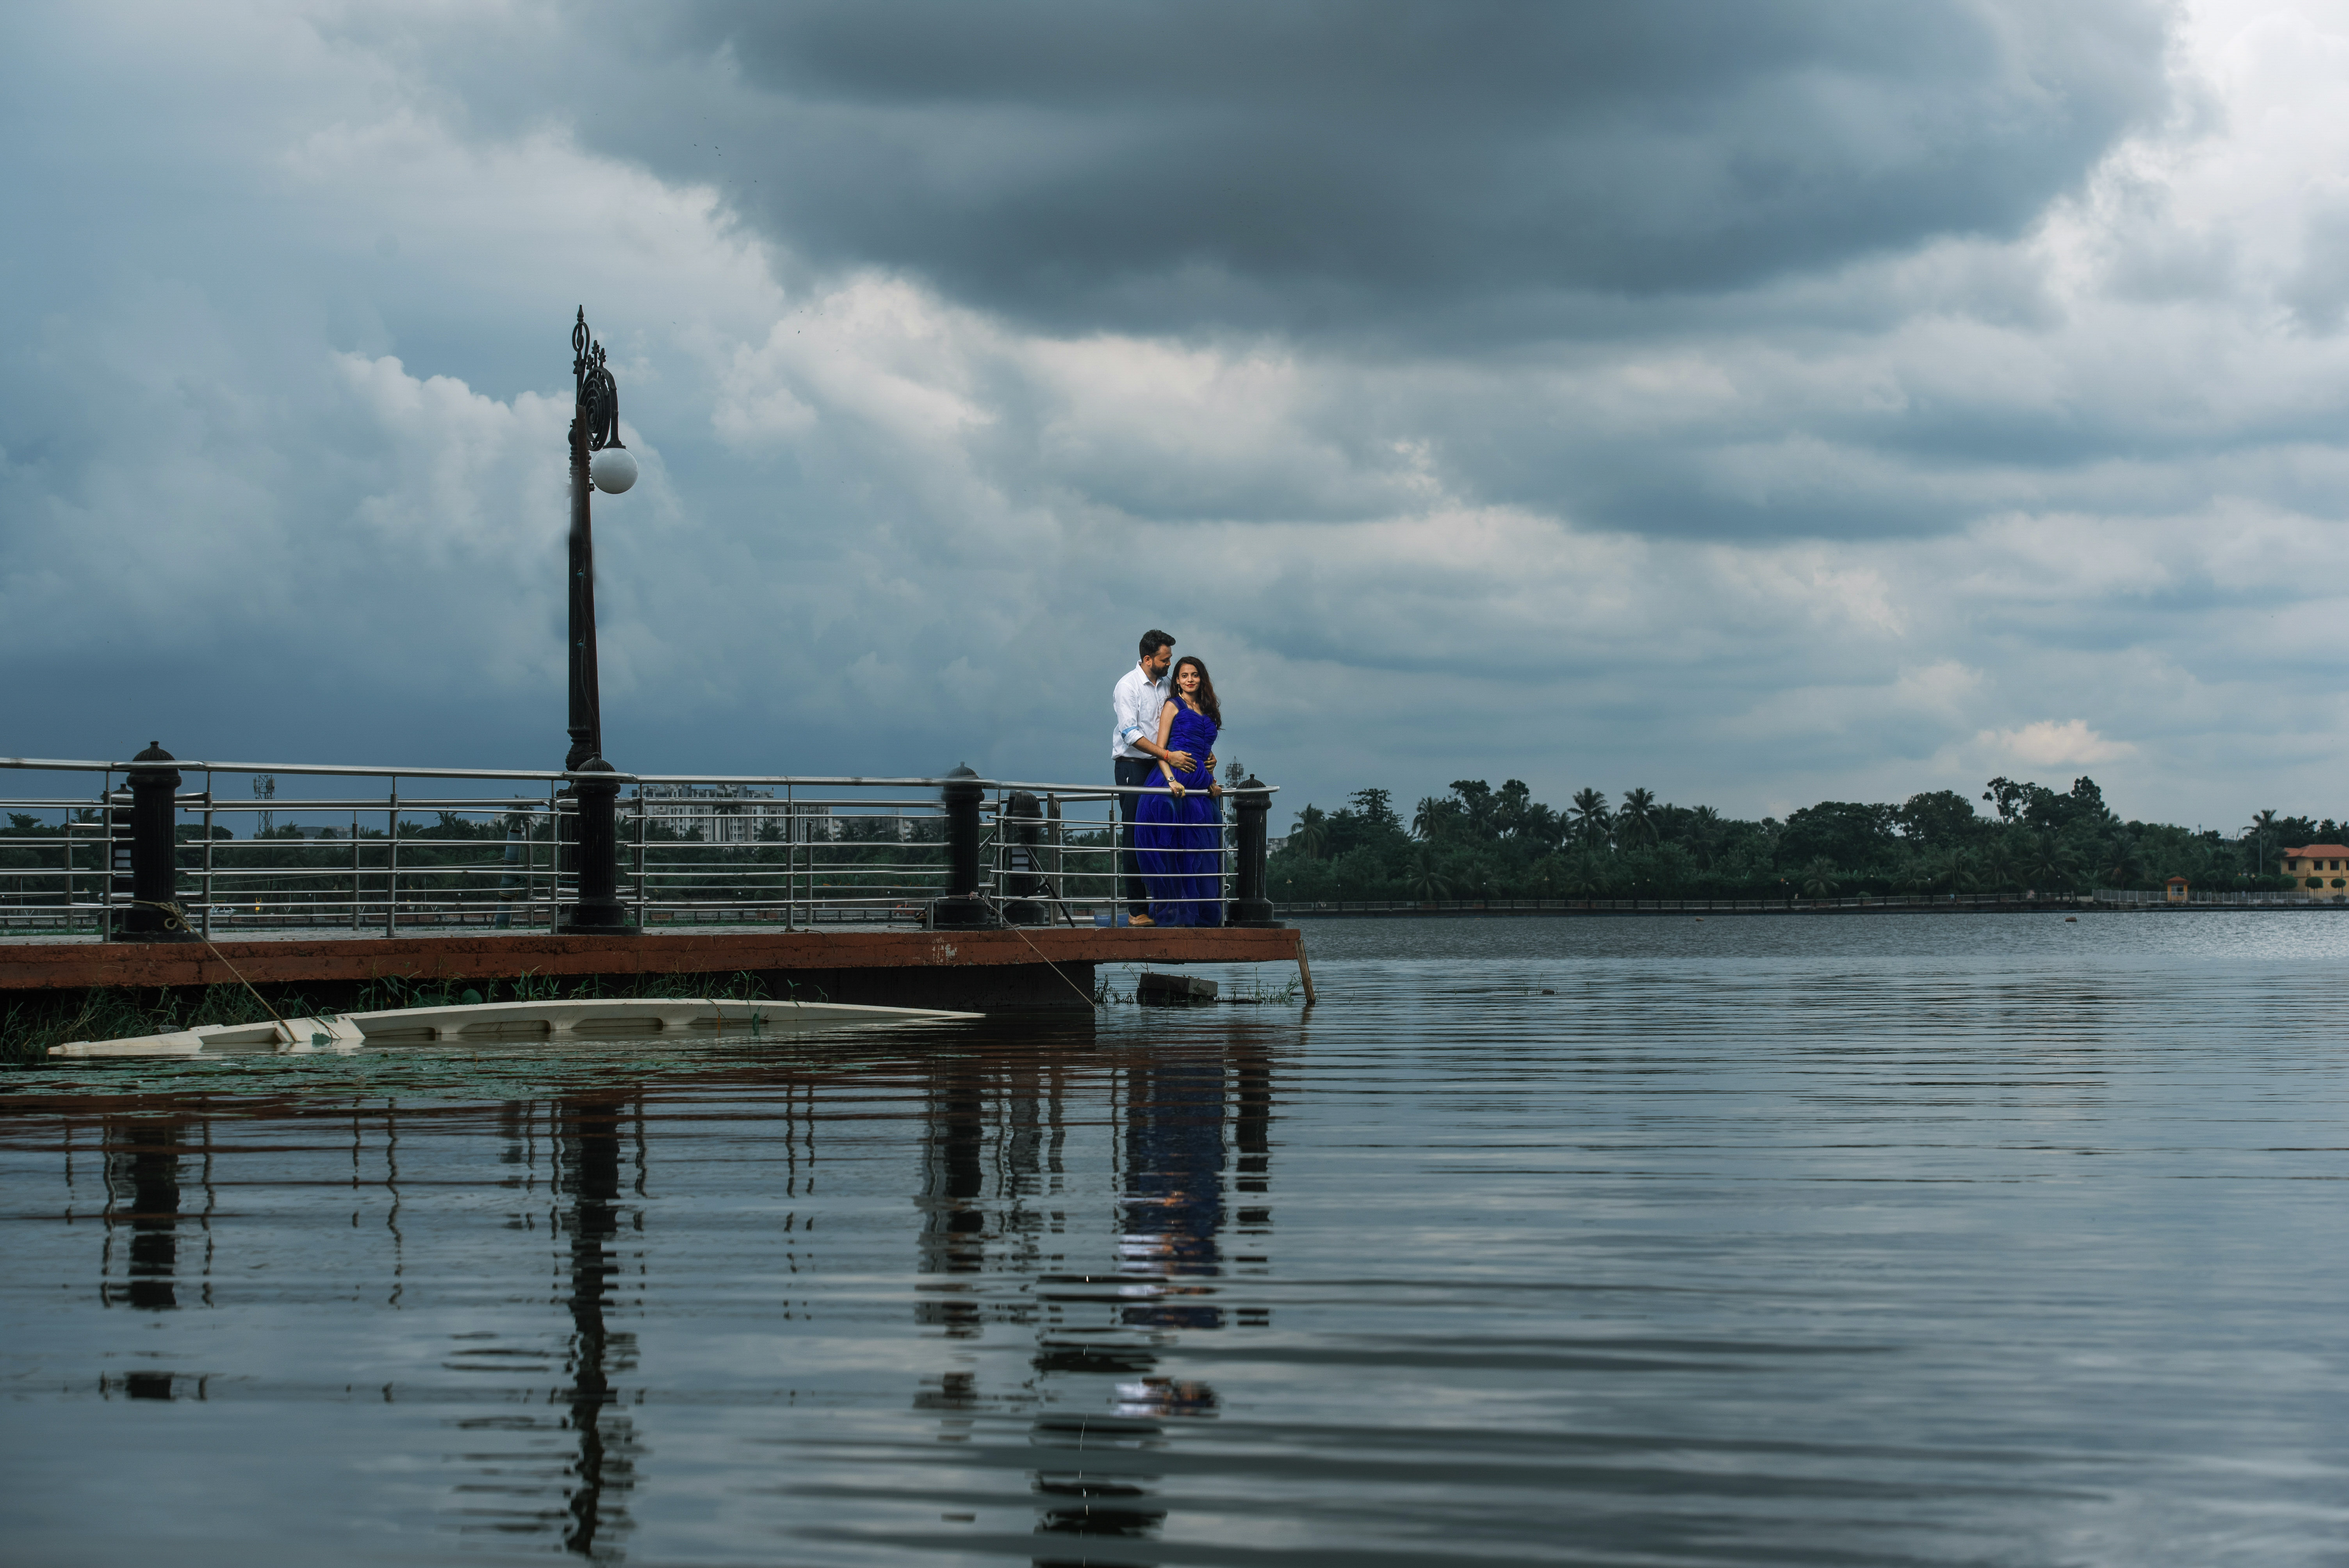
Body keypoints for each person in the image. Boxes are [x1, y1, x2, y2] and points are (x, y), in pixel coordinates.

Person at [1134, 656, 1225, 927]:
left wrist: (1211, 775)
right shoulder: (1172, 706)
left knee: (1200, 853)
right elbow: (1162, 750)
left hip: (1200, 785)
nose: (1190, 680)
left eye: (1195, 675)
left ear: (1202, 679)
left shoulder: (1206, 709)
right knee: (1177, 849)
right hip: (1177, 783)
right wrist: (1172, 780)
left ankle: (1198, 913)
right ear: (1177, 680)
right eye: (1184, 675)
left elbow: (1203, 748)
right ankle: (1176, 913)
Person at [1113, 630, 1188, 926]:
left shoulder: (1169, 686)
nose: (1170, 664)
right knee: (1134, 834)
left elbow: (1182, 722)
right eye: (1165, 659)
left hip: (1162, 766)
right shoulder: (1127, 687)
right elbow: (1130, 735)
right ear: (1148, 659)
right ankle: (1137, 911)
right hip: (1133, 766)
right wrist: (1168, 756)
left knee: (1162, 832)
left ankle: (1166, 904)